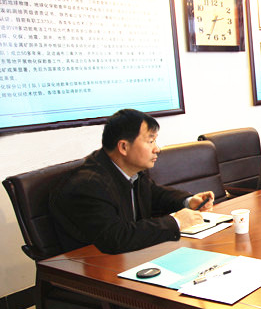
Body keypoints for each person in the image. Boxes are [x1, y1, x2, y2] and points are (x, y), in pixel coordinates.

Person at [50, 109, 213, 255]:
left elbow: (154, 194)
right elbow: (116, 237)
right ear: (123, 147)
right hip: (91, 266)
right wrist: (176, 222)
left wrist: (188, 201)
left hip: (130, 257)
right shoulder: (89, 185)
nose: (157, 149)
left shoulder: (128, 171)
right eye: (150, 141)